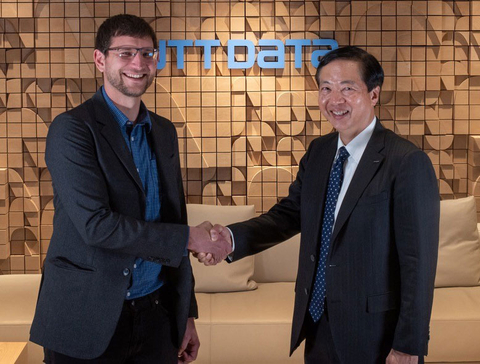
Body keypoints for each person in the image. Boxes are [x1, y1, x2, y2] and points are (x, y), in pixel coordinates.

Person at [197, 46, 440, 363]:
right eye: (325, 88)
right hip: (317, 323)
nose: (334, 100)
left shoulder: (406, 161)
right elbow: (287, 216)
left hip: (376, 334)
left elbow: (418, 263)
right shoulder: (320, 151)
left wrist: (409, 344)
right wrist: (229, 240)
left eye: (347, 89)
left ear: (374, 94)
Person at [30, 14, 230, 363]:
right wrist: (189, 237)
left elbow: (172, 216)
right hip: (85, 318)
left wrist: (186, 314)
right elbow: (96, 226)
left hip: (156, 316)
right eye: (124, 53)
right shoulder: (72, 130)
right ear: (100, 60)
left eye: (147, 53)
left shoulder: (165, 131)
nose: (138, 63)